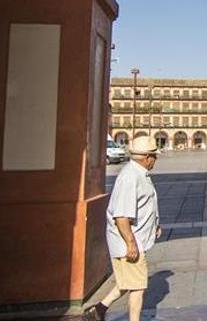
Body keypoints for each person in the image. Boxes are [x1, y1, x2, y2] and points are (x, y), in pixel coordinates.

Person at [84, 135, 161, 321]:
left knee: (128, 280)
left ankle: (99, 310)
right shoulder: (129, 178)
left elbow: (143, 205)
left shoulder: (138, 174)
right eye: (154, 156)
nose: (155, 160)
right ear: (147, 157)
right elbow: (121, 216)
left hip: (135, 238)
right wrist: (131, 244)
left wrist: (154, 224)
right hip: (129, 241)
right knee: (138, 287)